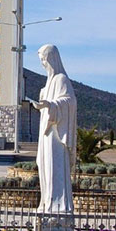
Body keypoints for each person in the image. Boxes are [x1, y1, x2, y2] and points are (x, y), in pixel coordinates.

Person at [32, 44, 77, 214]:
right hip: (46, 133)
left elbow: (70, 102)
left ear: (52, 59)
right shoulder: (49, 81)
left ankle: (58, 206)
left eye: (44, 59)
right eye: (41, 60)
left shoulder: (61, 79)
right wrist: (43, 101)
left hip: (56, 135)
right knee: (44, 166)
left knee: (54, 168)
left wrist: (50, 105)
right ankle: (46, 202)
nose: (43, 63)